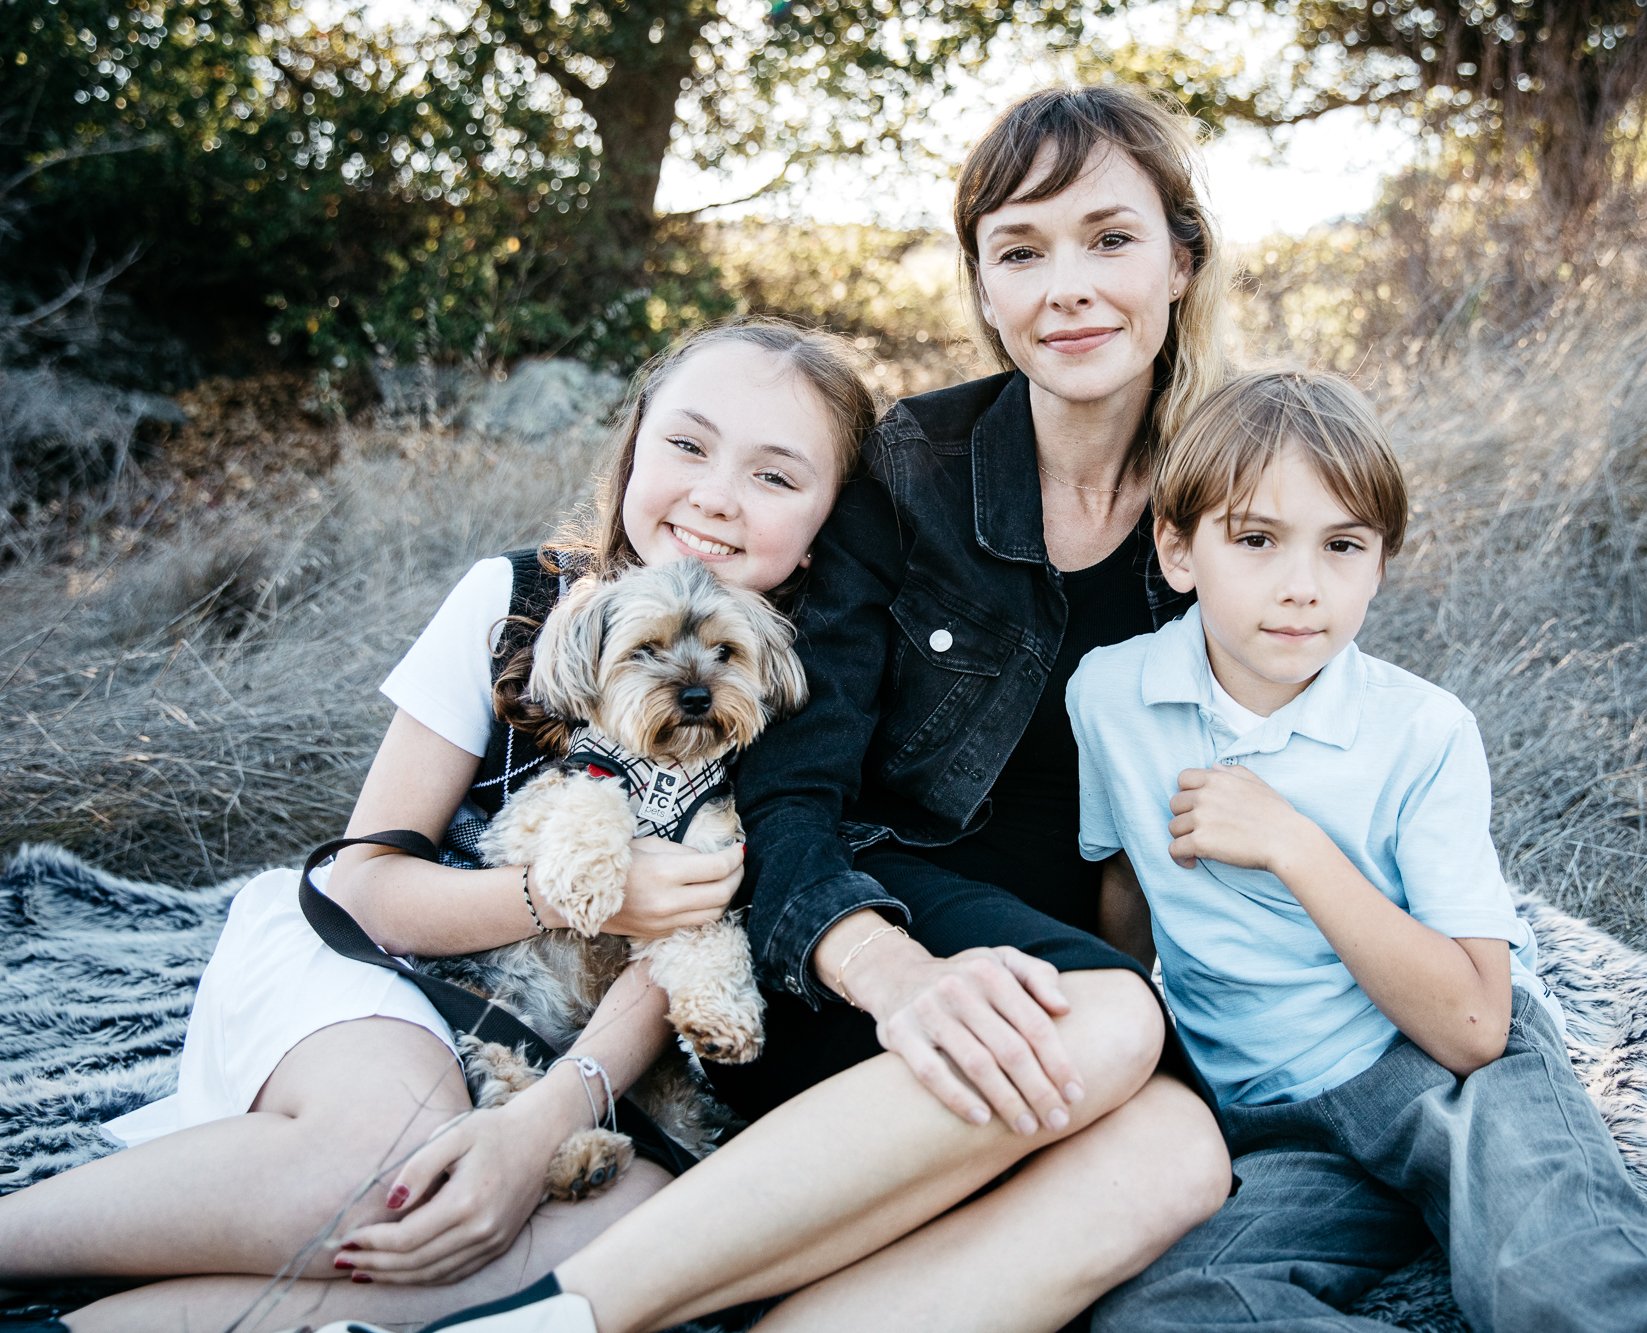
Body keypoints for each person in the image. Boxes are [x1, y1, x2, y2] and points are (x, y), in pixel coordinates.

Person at [335, 83, 1239, 1333]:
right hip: (847, 939)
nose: (1065, 286)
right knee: (1107, 1016)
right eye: (1020, 251)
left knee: (1181, 1156)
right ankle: (561, 1316)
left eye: (1109, 238)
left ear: (1182, 257)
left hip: (1052, 984)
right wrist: (890, 967)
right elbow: (792, 786)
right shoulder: (910, 470)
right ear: (981, 287)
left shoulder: (1230, 494)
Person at [0, 318, 879, 1331]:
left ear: (826, 522)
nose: (717, 494)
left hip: (567, 1046)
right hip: (385, 967)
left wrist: (547, 1118)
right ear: (633, 443)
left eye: (775, 476)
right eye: (687, 444)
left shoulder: (798, 689)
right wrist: (566, 891)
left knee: (620, 1245)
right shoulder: (512, 602)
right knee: (389, 1167)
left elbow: (684, 949)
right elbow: (368, 883)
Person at [1066, 369, 1647, 1331]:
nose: (1303, 584)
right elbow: (1124, 886)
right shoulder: (1109, 695)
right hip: (1272, 1126)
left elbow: (1474, 1023)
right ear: (1177, 548)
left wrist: (1295, 844)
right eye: (1256, 539)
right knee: (1168, 1311)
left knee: (1556, 1278)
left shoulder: (1422, 730)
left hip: (1446, 1074)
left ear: (1380, 563)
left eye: (1343, 545)